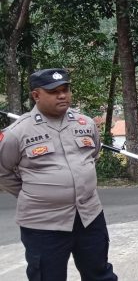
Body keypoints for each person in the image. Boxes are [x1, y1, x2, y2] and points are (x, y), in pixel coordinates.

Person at [0, 68, 117, 281]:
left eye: (66, 89)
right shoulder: (17, 132)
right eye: (54, 91)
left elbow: (93, 155)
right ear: (36, 95)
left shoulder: (85, 123)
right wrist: (34, 194)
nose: (62, 95)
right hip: (43, 223)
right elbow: (3, 171)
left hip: (89, 217)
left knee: (100, 275)